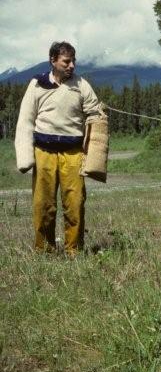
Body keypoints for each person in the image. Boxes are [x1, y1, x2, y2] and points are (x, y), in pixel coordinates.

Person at [15, 41, 102, 257]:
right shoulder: (37, 84)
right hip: (43, 152)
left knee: (74, 202)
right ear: (53, 60)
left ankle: (74, 250)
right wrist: (25, 157)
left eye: (74, 61)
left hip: (73, 153)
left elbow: (93, 111)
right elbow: (26, 119)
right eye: (66, 61)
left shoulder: (81, 85)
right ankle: (44, 250)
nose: (72, 65)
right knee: (43, 204)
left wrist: (96, 117)